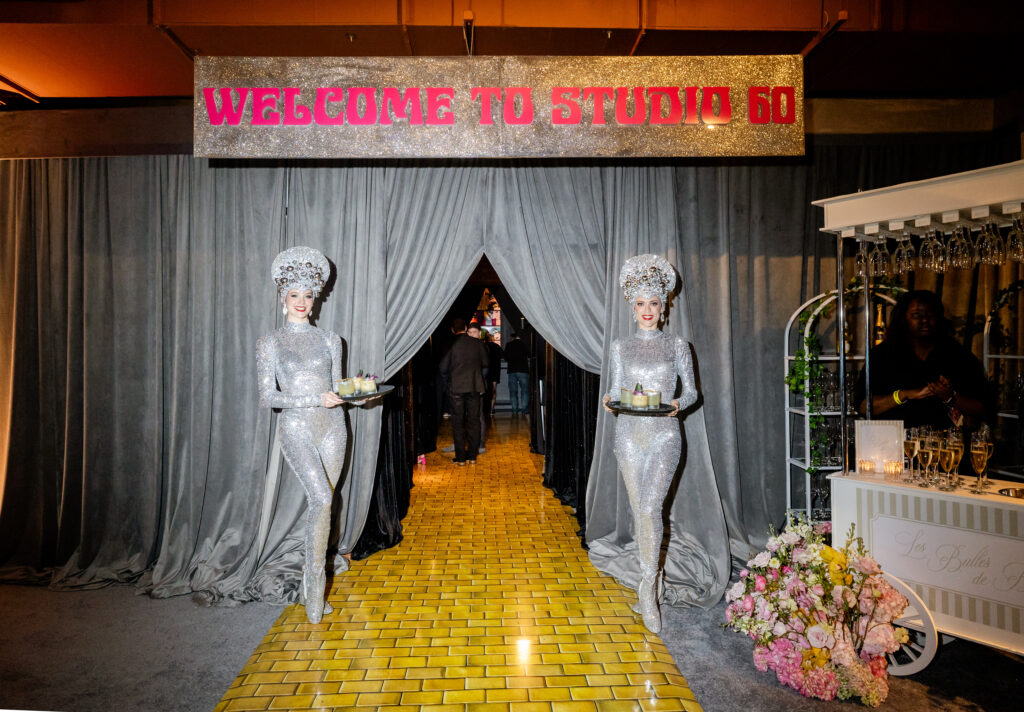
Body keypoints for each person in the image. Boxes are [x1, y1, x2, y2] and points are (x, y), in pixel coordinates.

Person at [256, 246, 356, 624]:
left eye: (308, 295)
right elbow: (269, 397)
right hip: (296, 427)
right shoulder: (271, 342)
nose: (302, 301)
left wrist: (355, 397)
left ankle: (312, 589)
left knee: (326, 503)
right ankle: (314, 595)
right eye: (295, 295)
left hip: (333, 428)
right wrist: (316, 397)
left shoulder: (331, 339)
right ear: (284, 298)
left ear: (316, 300)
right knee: (320, 499)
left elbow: (336, 387)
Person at [601, 254, 698, 634]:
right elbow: (613, 390)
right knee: (640, 511)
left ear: (664, 307)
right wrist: (608, 402)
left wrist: (679, 404)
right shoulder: (620, 347)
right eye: (641, 303)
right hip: (628, 434)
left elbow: (691, 392)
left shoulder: (677, 346)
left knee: (649, 507)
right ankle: (649, 577)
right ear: (632, 306)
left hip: (664, 436)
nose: (647, 310)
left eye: (654, 303)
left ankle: (647, 589)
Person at [855, 289, 993, 428]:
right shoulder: (882, 354)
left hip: (944, 446)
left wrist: (951, 397)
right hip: (892, 444)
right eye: (917, 315)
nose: (925, 320)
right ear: (903, 319)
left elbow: (985, 408)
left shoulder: (957, 354)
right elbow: (862, 407)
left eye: (930, 314)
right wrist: (903, 395)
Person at [439, 318, 489, 465]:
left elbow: (442, 368)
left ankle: (461, 458)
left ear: (453, 330)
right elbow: (486, 365)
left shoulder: (451, 345)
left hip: (456, 389)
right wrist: (480, 379)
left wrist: (449, 383)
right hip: (474, 387)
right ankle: (472, 456)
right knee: (474, 421)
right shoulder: (478, 343)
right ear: (466, 328)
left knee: (458, 422)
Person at [504, 330, 530, 415]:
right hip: (523, 370)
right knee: (525, 391)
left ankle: (514, 410)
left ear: (514, 336)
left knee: (513, 391)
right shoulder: (525, 344)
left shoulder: (509, 345)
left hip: (512, 370)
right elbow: (530, 355)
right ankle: (524, 409)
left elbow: (506, 358)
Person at [483, 329, 504, 414]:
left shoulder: (482, 346)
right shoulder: (496, 346)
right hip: (495, 370)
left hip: (485, 371)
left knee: (485, 390)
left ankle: (485, 409)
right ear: (492, 339)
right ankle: (491, 409)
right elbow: (503, 356)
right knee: (493, 391)